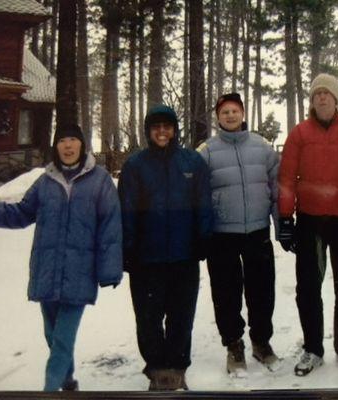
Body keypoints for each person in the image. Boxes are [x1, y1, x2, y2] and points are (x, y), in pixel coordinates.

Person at [0, 124, 123, 391]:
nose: (68, 145)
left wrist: (109, 269)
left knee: (62, 339)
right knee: (52, 335)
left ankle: (50, 391)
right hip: (47, 271)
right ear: (56, 146)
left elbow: (110, 226)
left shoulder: (100, 180)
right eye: (62, 141)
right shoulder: (45, 181)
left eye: (73, 139)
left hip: (80, 274)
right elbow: (20, 213)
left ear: (82, 145)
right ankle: (67, 383)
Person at [278, 73, 338, 376]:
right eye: (316, 93)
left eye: (327, 93)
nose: (321, 97)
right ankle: (312, 348)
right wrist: (285, 219)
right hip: (310, 221)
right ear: (312, 101)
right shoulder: (299, 134)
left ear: (336, 100)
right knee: (308, 287)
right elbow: (286, 180)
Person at [118, 105, 213, 390]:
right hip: (147, 259)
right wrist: (129, 250)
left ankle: (177, 368)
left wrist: (203, 240)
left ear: (175, 130)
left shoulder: (192, 162)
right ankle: (157, 369)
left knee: (181, 316)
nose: (162, 131)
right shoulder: (136, 165)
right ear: (149, 131)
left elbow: (204, 205)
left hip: (184, 256)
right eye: (156, 126)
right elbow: (127, 211)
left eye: (167, 126)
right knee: (148, 318)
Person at [197, 93, 281, 377]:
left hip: (257, 230)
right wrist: (203, 232)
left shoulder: (262, 147)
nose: (230, 116)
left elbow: (276, 188)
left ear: (242, 114)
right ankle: (233, 344)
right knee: (226, 293)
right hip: (222, 236)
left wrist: (281, 226)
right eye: (224, 112)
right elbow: (198, 196)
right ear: (217, 118)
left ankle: (261, 341)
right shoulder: (206, 151)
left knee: (262, 290)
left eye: (234, 111)